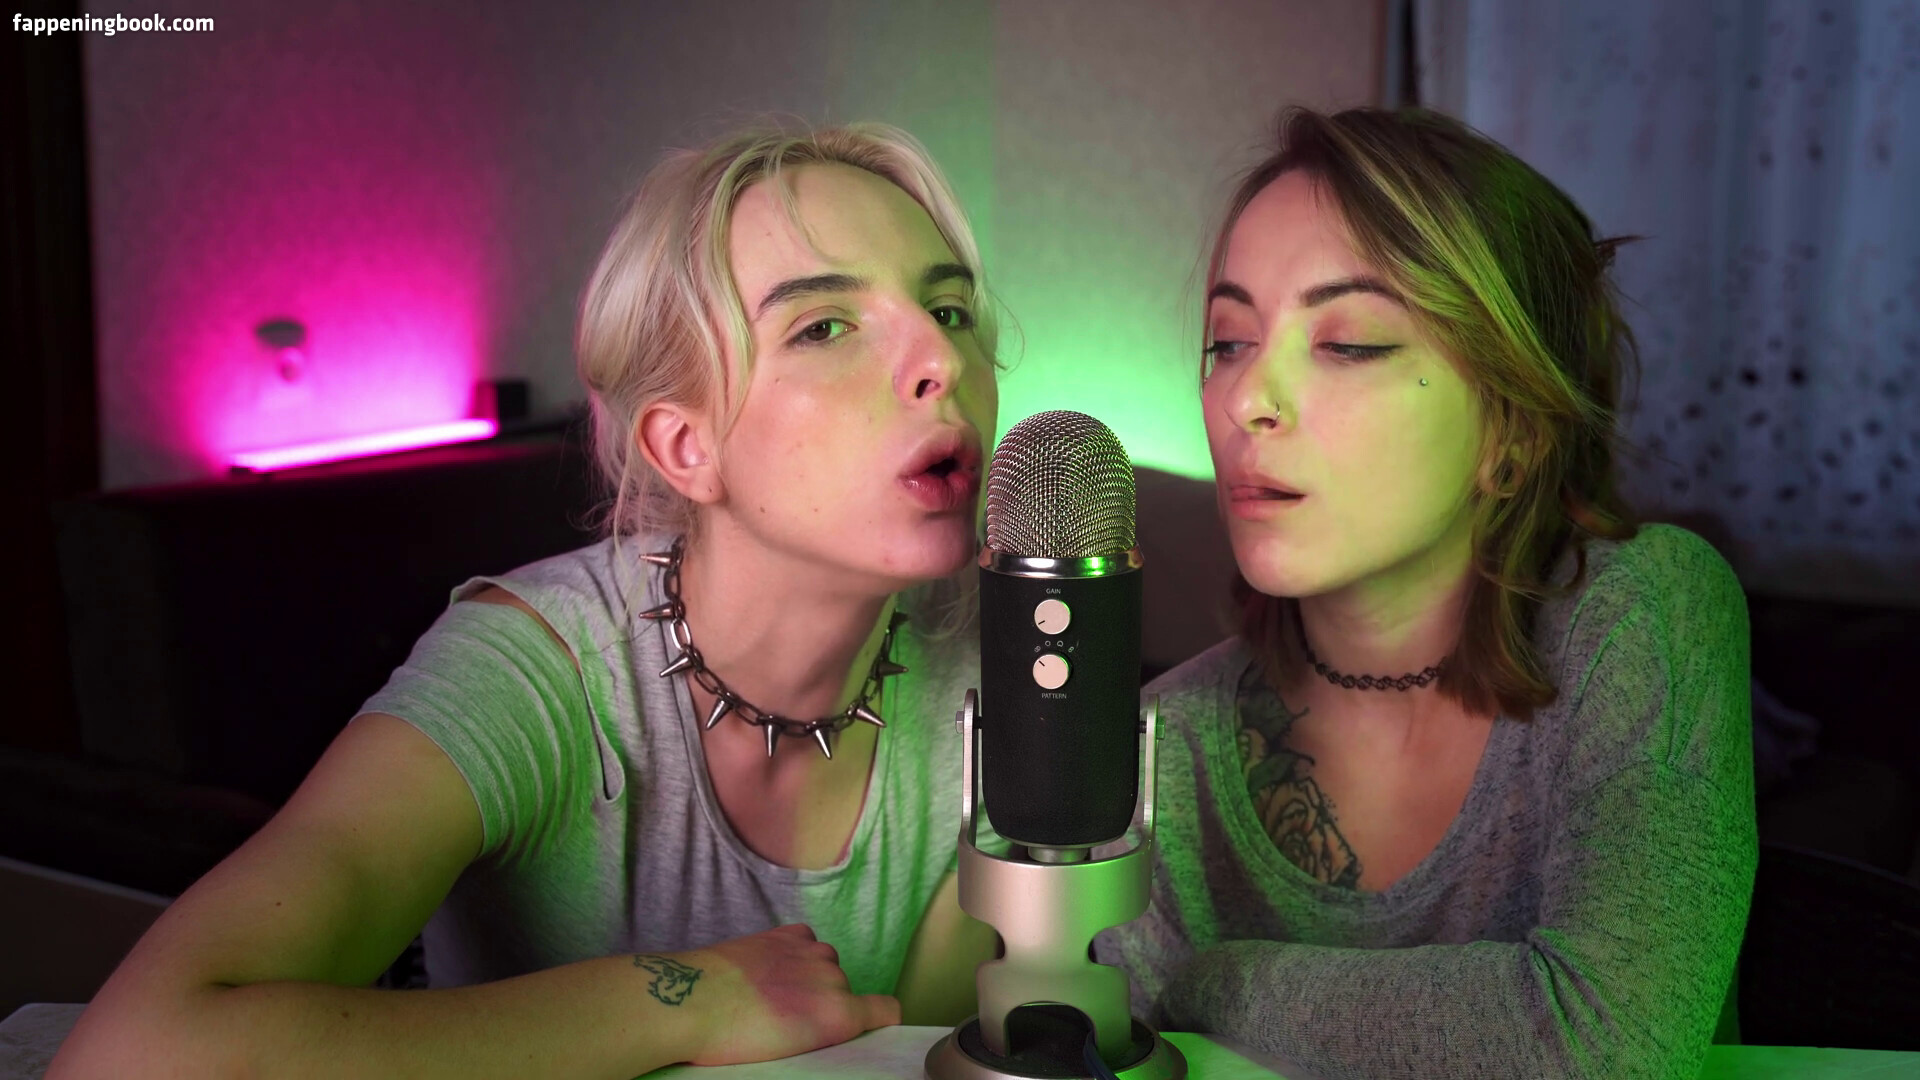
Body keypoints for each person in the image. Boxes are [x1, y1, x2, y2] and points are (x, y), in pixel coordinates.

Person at [52, 122, 1003, 1079]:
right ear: (686, 448)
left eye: (950, 309)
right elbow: (132, 1054)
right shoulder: (538, 670)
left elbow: (906, 1058)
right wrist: (680, 998)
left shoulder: (1011, 672)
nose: (943, 359)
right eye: (823, 327)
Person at [1095, 106, 1754, 1079]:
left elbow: (1604, 1044)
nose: (1246, 401)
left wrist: (1217, 983)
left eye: (1349, 343)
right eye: (1229, 341)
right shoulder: (1157, 748)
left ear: (1512, 429)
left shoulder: (1643, 613)